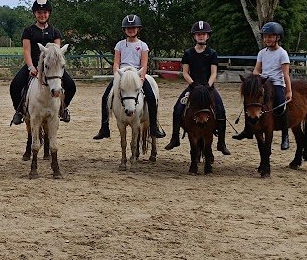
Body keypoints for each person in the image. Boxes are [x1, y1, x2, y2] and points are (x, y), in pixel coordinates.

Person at [92, 14, 166, 140]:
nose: (131, 30)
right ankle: (104, 128)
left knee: (151, 97)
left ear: (138, 29)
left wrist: (141, 78)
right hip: (122, 74)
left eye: (133, 28)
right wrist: (117, 76)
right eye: (128, 28)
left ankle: (153, 127)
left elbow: (144, 65)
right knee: (105, 97)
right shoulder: (120, 45)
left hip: (137, 74)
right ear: (124, 30)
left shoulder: (143, 45)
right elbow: (116, 63)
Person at [163, 20, 230, 155]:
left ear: (208, 36)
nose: (201, 36)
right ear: (194, 36)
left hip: (208, 87)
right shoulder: (188, 53)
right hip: (193, 87)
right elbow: (185, 72)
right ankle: (175, 138)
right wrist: (192, 84)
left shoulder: (212, 53)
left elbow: (213, 73)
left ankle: (221, 143)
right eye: (198, 34)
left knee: (221, 110)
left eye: (203, 34)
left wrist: (208, 86)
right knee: (177, 109)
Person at [9, 0, 76, 125]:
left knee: (71, 86)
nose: (42, 15)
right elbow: (27, 51)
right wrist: (30, 67)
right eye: (39, 13)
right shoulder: (28, 31)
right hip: (33, 65)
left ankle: (63, 108)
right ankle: (19, 112)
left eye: (45, 12)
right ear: (35, 14)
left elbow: (57, 53)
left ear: (49, 13)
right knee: (15, 86)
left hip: (51, 67)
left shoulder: (55, 32)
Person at [232, 21, 292, 150]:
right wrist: (255, 80)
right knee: (249, 102)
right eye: (265, 36)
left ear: (278, 37)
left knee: (281, 106)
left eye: (270, 36)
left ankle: (285, 135)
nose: (267, 39)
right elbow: (256, 70)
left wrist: (289, 91)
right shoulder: (262, 53)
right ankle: (247, 129)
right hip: (263, 82)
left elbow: (286, 74)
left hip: (276, 84)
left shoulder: (282, 53)